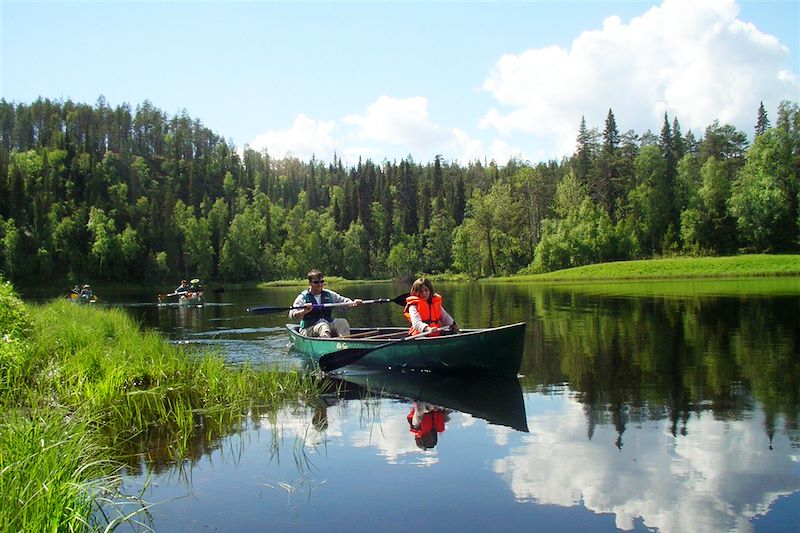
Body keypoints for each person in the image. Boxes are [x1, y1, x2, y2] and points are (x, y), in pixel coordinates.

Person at [290, 269, 362, 338]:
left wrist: (353, 303)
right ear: (310, 283)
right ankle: (327, 344)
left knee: (342, 322)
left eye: (322, 281)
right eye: (316, 282)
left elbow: (343, 302)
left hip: (328, 323)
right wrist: (304, 311)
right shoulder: (303, 297)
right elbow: (293, 316)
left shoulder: (329, 294)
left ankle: (344, 344)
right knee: (323, 326)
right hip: (309, 328)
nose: (320, 284)